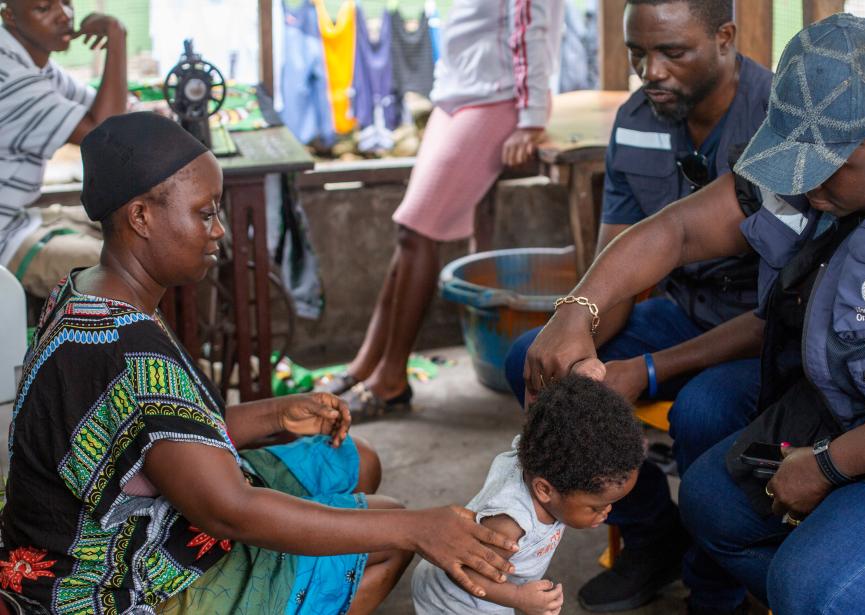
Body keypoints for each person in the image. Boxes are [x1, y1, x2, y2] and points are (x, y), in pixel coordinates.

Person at [525, 10, 865, 614]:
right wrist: (575, 311)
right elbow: (681, 231)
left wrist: (827, 467)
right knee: (713, 503)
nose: (807, 189)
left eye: (826, 172)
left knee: (814, 587)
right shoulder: (825, 164)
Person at [0, 113, 520, 615]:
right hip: (115, 578)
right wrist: (419, 529)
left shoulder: (85, 292)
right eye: (205, 213)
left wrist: (275, 416)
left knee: (357, 463)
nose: (220, 230)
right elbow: (230, 510)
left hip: (140, 513)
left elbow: (150, 438)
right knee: (388, 534)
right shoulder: (129, 353)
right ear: (140, 217)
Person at [502, 0, 771, 611]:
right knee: (535, 361)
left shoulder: (780, 123)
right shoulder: (634, 121)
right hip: (681, 312)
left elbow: (782, 313)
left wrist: (647, 371)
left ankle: (715, 586)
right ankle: (653, 533)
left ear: (725, 38)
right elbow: (613, 277)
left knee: (702, 413)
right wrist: (580, 337)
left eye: (672, 52)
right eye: (637, 54)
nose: (650, 71)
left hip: (757, 330)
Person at [319, 0, 565, 417]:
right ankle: (365, 365)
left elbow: (530, 25)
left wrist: (530, 118)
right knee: (409, 232)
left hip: (498, 98)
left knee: (417, 233)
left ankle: (391, 378)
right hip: (456, 95)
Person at [412, 374, 645, 615]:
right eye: (596, 507)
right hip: (454, 603)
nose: (607, 512)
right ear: (544, 490)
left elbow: (563, 419)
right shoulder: (510, 526)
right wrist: (518, 597)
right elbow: (465, 571)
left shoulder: (545, 457)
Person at [0, 0, 127, 298]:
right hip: (4, 237)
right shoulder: (10, 78)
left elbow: (104, 109)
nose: (65, 15)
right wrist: (116, 38)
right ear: (10, 17)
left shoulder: (31, 60)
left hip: (21, 217)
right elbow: (105, 131)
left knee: (138, 231)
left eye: (66, 2)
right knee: (127, 267)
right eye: (44, 8)